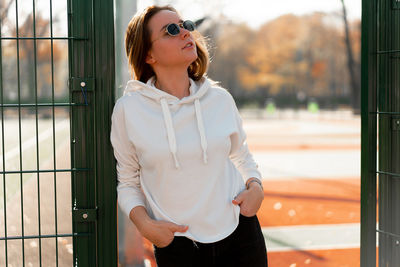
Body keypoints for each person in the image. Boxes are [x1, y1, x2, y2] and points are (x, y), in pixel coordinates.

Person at [110, 5, 268, 267]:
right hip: (178, 246)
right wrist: (146, 226)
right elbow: (127, 181)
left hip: (241, 235)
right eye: (171, 30)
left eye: (186, 25)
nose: (185, 33)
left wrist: (256, 187)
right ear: (148, 54)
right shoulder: (129, 110)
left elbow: (241, 154)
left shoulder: (220, 99)